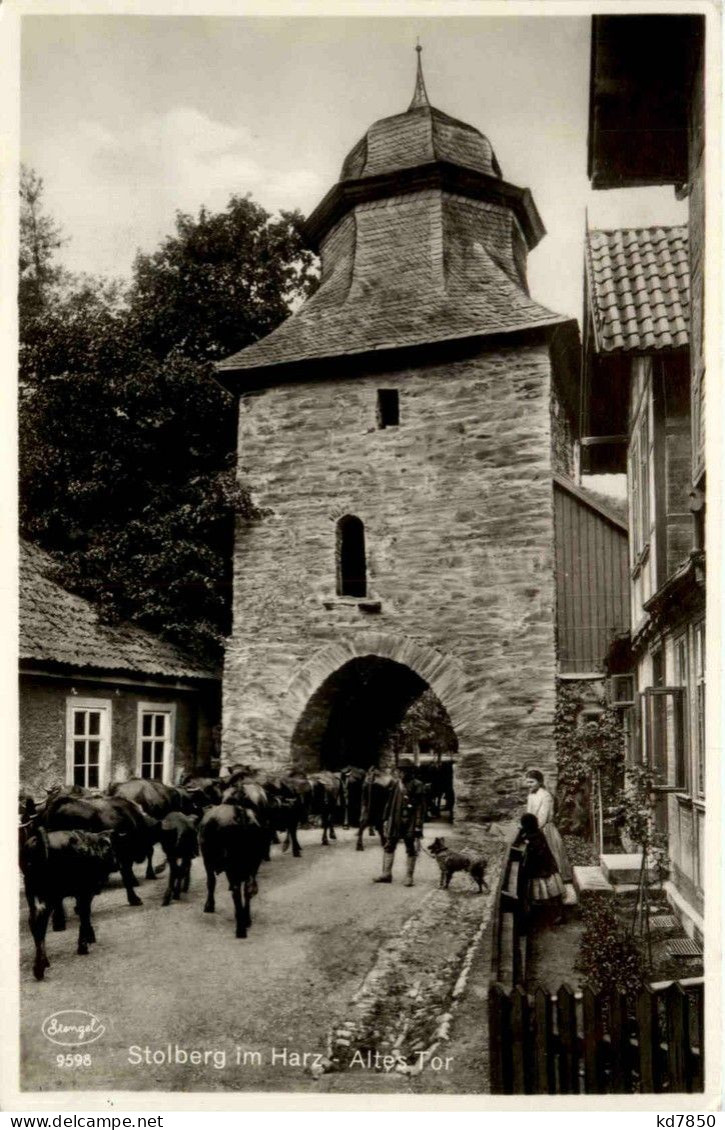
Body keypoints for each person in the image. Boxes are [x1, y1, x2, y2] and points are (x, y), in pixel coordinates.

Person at [373, 758, 427, 887]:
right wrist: (386, 819)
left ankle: (409, 877)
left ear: (410, 772)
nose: (401, 773)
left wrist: (419, 824)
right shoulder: (395, 784)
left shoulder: (417, 785)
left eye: (404, 771)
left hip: (411, 820)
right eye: (399, 771)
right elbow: (389, 802)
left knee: (410, 847)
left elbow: (421, 806)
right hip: (395, 819)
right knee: (389, 845)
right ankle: (386, 874)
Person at [515, 812, 566, 924]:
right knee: (550, 892)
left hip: (543, 868)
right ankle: (552, 913)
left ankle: (559, 914)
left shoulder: (535, 836)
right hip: (543, 866)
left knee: (551, 891)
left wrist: (525, 840)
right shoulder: (536, 833)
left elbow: (536, 850)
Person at [524, 768, 572, 883]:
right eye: (527, 782)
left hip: (544, 829)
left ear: (540, 782)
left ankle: (555, 881)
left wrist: (532, 831)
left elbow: (542, 818)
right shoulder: (531, 795)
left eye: (532, 782)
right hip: (533, 828)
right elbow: (529, 813)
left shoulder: (546, 796)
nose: (528, 784)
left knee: (550, 854)